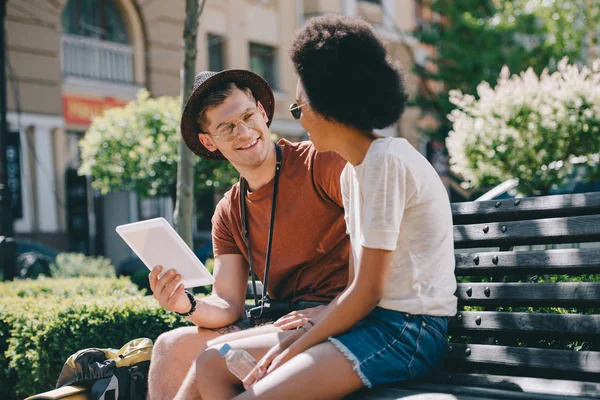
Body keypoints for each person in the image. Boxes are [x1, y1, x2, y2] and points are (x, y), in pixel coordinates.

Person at [180, 15, 458, 400]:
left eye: (299, 109)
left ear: (330, 105)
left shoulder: (386, 161)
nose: (298, 122)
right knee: (212, 361)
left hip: (407, 331)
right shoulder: (353, 174)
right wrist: (294, 340)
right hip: (366, 323)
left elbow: (366, 291)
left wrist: (294, 346)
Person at [147, 69, 350, 399]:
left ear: (263, 111)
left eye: (247, 116)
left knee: (212, 357)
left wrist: (332, 310)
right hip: (282, 323)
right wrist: (185, 303)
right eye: (227, 127)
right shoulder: (229, 210)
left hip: (342, 317)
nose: (244, 132)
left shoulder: (320, 163)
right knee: (171, 346)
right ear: (208, 141)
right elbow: (228, 303)